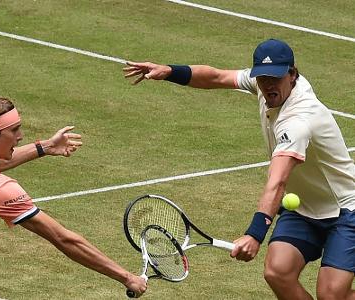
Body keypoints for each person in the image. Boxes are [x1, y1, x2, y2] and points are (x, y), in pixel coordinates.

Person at [123, 39, 354, 300]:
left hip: (345, 209)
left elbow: (277, 182)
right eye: (263, 77)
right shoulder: (264, 84)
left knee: (332, 295)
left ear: (292, 74)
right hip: (304, 208)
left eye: (275, 77)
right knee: (278, 272)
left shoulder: (300, 120)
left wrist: (255, 234)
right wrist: (170, 71)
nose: (268, 85)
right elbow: (217, 76)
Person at [0, 96, 147, 300]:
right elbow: (64, 240)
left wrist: (44, 147)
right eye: (14, 130)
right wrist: (127, 277)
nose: (20, 136)